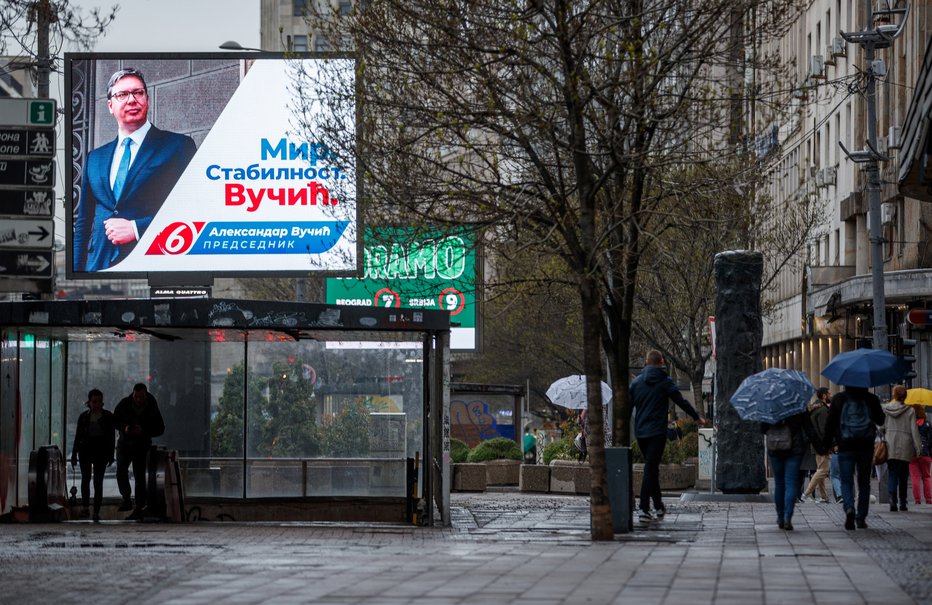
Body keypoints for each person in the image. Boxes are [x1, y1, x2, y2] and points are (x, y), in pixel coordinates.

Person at [73, 67, 197, 272]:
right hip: (99, 268)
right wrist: (77, 274)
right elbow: (84, 224)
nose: (131, 100)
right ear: (110, 105)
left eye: (138, 93)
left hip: (154, 263)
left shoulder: (178, 146)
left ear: (147, 99)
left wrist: (136, 228)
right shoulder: (94, 159)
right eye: (122, 94)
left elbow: (191, 209)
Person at [630, 350, 705, 521]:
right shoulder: (665, 381)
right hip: (657, 432)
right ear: (661, 362)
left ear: (646, 362)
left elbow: (627, 406)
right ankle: (643, 507)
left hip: (641, 432)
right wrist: (696, 417)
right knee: (650, 468)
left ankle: (658, 506)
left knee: (651, 467)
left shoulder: (636, 383)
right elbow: (681, 401)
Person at [823, 385, 885, 530]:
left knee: (846, 481)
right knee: (864, 482)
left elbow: (830, 424)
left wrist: (825, 445)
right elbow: (881, 420)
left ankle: (849, 508)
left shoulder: (839, 399)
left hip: (845, 445)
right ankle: (861, 517)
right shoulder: (871, 399)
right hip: (865, 446)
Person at [762, 410, 823, 530]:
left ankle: (780, 517)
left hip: (775, 448)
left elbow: (763, 428)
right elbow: (809, 429)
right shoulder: (798, 406)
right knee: (791, 482)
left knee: (779, 483)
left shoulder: (770, 405)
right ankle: (787, 517)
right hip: (794, 450)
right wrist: (821, 448)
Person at [113, 383, 165, 519]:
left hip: (140, 445)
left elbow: (160, 428)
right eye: (136, 397)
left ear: (145, 395)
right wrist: (125, 428)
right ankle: (128, 499)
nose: (138, 400)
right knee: (121, 472)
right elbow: (114, 421)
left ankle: (137, 505)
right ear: (133, 394)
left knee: (139, 477)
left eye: (141, 397)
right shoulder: (125, 404)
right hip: (127, 443)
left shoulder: (151, 407)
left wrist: (143, 431)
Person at [70, 389, 115, 522]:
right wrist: (74, 454)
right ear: (89, 402)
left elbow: (111, 437)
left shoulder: (106, 417)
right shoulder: (84, 417)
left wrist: (110, 454)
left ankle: (95, 511)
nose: (97, 404)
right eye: (94, 401)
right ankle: (86, 507)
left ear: (102, 403)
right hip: (86, 451)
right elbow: (78, 436)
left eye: (99, 402)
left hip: (100, 451)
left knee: (97, 482)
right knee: (86, 479)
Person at [882, 385, 921, 512]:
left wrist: (885, 432)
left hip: (890, 444)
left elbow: (880, 426)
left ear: (894, 395)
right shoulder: (910, 411)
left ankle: (893, 500)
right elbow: (914, 430)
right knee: (904, 475)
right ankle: (903, 502)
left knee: (892, 472)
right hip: (906, 445)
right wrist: (918, 447)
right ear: (905, 396)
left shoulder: (886, 408)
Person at [802, 387, 832, 503]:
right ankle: (806, 494)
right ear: (824, 396)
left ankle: (824, 497)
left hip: (816, 444)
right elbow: (825, 430)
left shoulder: (815, 408)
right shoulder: (823, 410)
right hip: (821, 445)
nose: (831, 395)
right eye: (829, 394)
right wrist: (829, 445)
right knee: (823, 471)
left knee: (821, 470)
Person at [908, 405, 932, 505]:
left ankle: (917, 500)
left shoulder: (909, 424)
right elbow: (931, 440)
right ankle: (929, 499)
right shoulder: (927, 424)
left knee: (915, 477)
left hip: (912, 455)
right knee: (926, 477)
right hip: (925, 454)